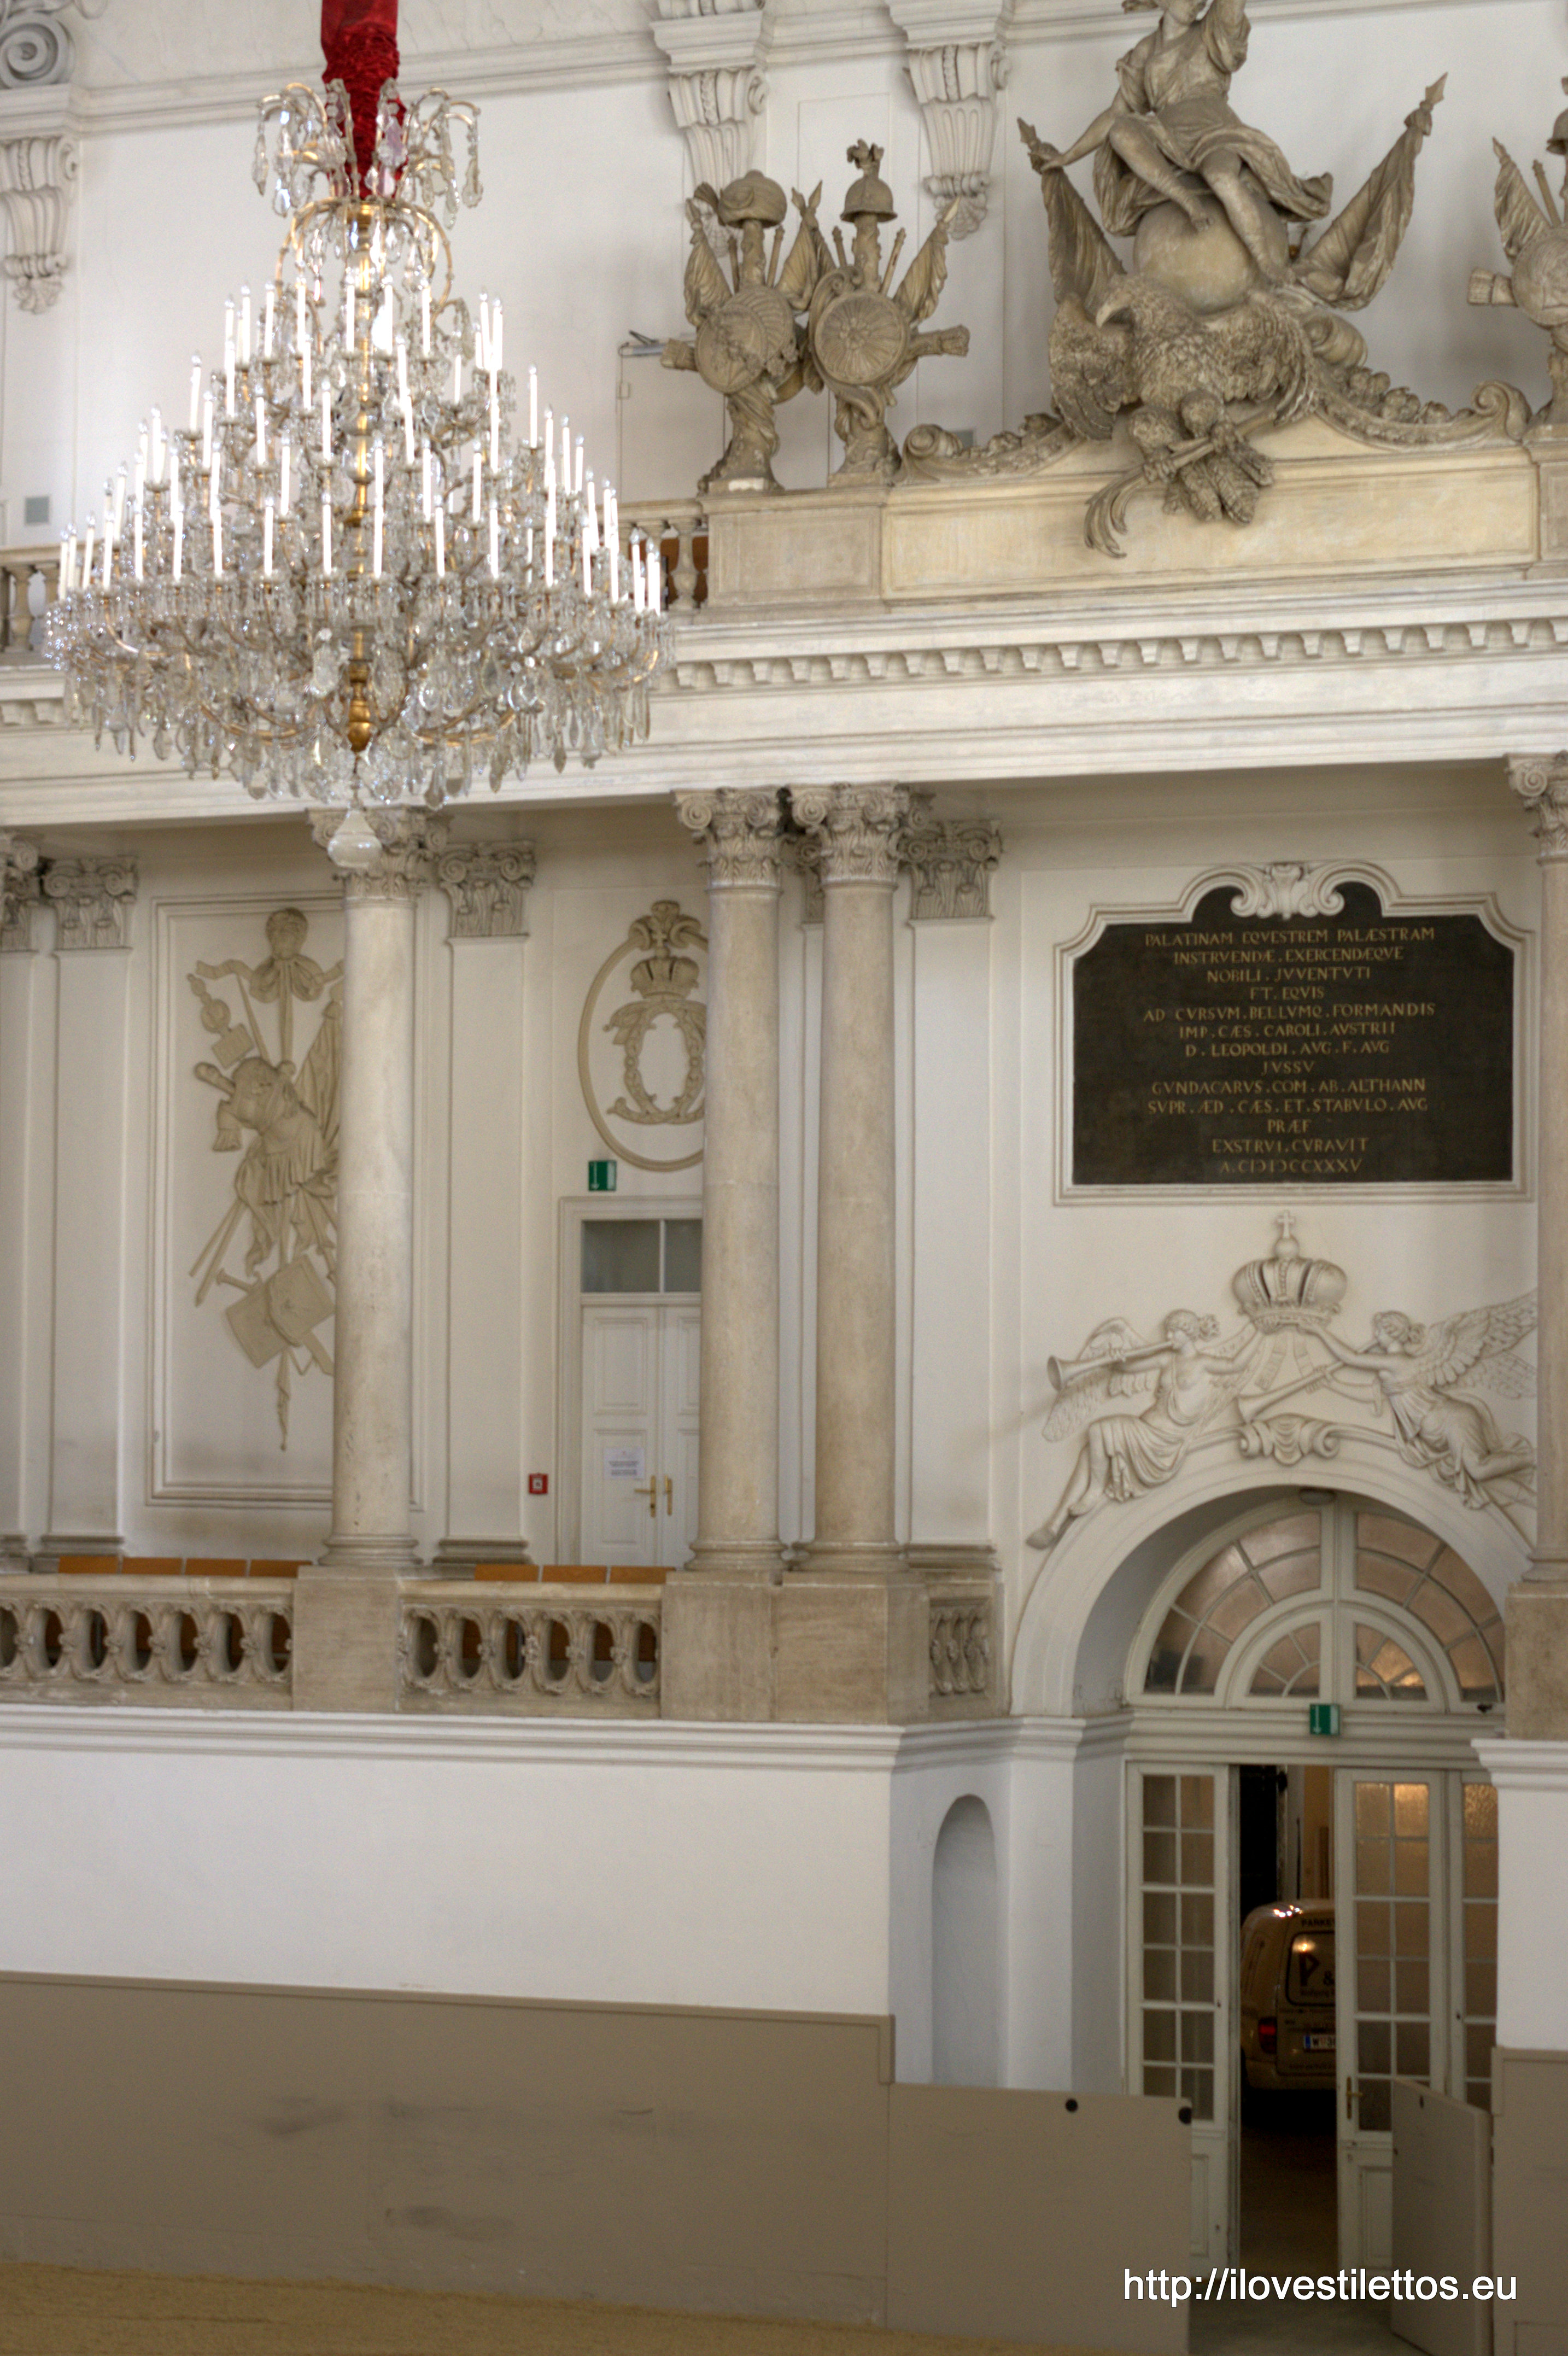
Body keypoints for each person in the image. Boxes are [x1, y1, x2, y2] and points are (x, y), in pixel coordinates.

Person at [1029, 0, 1330, 282]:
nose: (1196, 4)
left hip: (1216, 131)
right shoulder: (1146, 50)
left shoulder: (1211, 30)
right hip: (1168, 138)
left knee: (1221, 176)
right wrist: (1066, 157)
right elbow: (1114, 114)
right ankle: (1185, 199)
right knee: (1121, 130)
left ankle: (1266, 263)